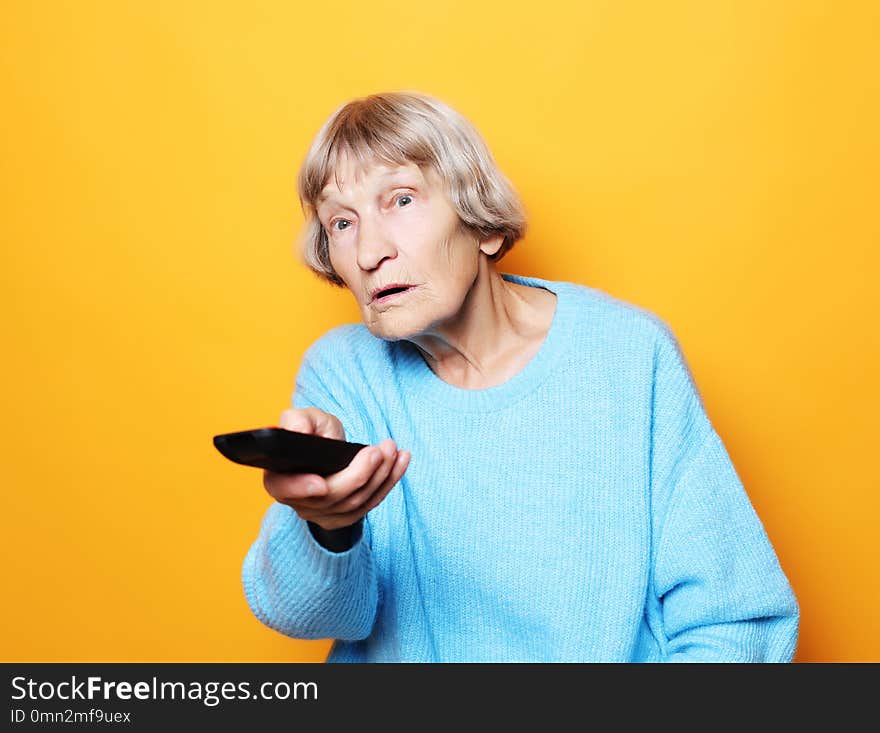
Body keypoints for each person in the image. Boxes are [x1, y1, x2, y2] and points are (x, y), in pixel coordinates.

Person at [241, 90, 799, 662]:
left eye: (401, 200)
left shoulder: (627, 356)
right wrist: (327, 526)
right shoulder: (343, 373)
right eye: (341, 223)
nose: (368, 253)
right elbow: (311, 616)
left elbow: (736, 621)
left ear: (481, 224)